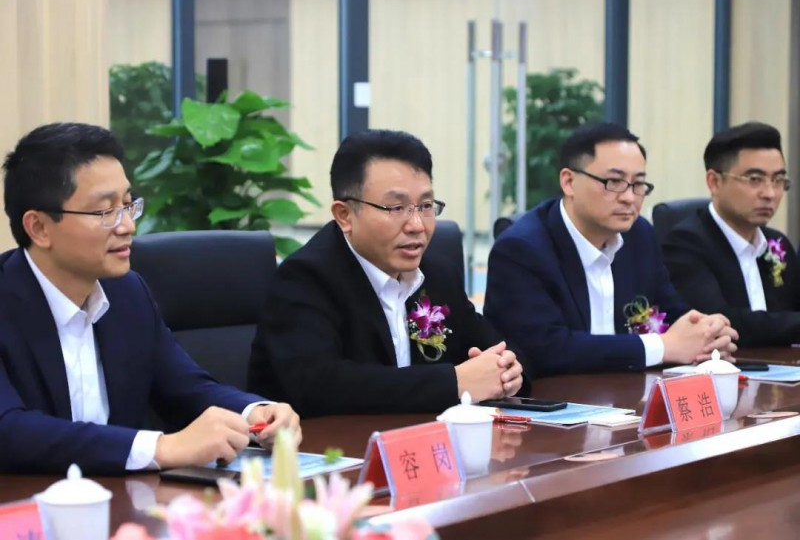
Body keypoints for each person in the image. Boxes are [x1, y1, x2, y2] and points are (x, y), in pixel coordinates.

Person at [0, 123, 301, 475]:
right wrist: (161, 447)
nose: (127, 225)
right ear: (39, 228)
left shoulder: (127, 293)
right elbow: (10, 431)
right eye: (105, 211)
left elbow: (185, 388)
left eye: (128, 205)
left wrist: (255, 413)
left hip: (123, 499)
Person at [247, 129, 527, 417]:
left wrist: (507, 370)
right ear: (345, 215)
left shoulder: (438, 273)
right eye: (396, 207)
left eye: (425, 206)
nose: (417, 225)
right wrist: (454, 382)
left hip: (422, 438)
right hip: (328, 442)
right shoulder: (305, 279)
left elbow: (497, 347)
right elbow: (320, 386)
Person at [484, 122, 738, 377]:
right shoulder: (521, 249)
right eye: (614, 181)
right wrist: (663, 346)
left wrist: (706, 331)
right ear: (569, 182)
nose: (629, 197)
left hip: (630, 391)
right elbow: (545, 349)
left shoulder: (639, 235)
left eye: (638, 184)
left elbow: (670, 310)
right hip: (556, 397)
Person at [661, 122, 800, 346]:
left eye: (778, 180)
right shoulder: (685, 244)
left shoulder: (777, 243)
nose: (770, 193)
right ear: (714, 182)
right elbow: (721, 322)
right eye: (755, 180)